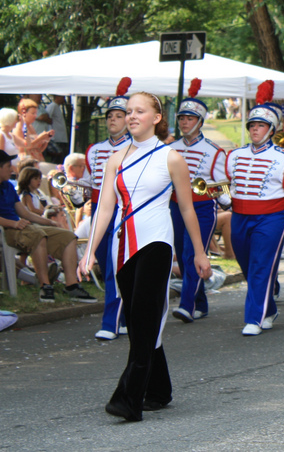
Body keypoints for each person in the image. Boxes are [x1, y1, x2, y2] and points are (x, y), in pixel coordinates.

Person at [77, 92, 211, 421]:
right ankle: (159, 389)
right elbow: (105, 207)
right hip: (121, 246)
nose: (132, 115)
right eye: (129, 111)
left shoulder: (172, 158)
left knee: (144, 316)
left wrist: (198, 252)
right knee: (137, 320)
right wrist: (90, 250)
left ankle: (128, 398)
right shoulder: (115, 159)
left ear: (155, 117)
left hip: (156, 242)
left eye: (140, 111)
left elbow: (185, 207)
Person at [227, 81, 284, 335]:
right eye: (252, 125)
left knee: (261, 265)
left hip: (272, 217)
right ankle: (269, 308)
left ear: (271, 129)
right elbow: (223, 183)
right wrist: (223, 198)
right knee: (246, 264)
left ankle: (254, 318)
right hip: (240, 216)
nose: (255, 130)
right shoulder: (234, 155)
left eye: (260, 125)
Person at [167, 79, 231, 324]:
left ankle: (187, 304)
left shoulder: (214, 150)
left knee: (193, 253)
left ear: (200, 122)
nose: (185, 122)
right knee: (182, 254)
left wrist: (223, 197)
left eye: (190, 119)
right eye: (182, 118)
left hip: (202, 206)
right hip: (175, 206)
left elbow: (223, 182)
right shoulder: (170, 148)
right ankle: (201, 303)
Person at [0, 153, 94, 303]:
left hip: (23, 227)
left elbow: (24, 213)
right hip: (7, 230)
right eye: (7, 166)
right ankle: (45, 285)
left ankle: (71, 285)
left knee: (68, 236)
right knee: (37, 235)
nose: (11, 169)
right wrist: (14, 224)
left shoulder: (8, 187)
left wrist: (49, 222)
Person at [83, 77, 133, 340]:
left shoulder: (136, 148)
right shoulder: (95, 150)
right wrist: (74, 189)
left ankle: (110, 323)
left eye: (118, 115)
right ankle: (125, 317)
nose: (112, 120)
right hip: (97, 210)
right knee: (105, 262)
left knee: (115, 267)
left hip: (122, 212)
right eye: (109, 116)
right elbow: (88, 181)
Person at [14, 98, 54, 164]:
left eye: (36, 113)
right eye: (33, 113)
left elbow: (38, 150)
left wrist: (46, 139)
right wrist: (40, 138)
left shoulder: (30, 126)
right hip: (27, 161)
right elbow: (22, 148)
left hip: (37, 160)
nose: (35, 116)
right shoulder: (19, 127)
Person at [42, 95, 69, 163]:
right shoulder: (52, 106)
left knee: (61, 156)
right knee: (58, 156)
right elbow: (47, 118)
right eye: (62, 97)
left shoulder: (57, 107)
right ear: (57, 97)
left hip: (61, 137)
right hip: (56, 137)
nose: (64, 99)